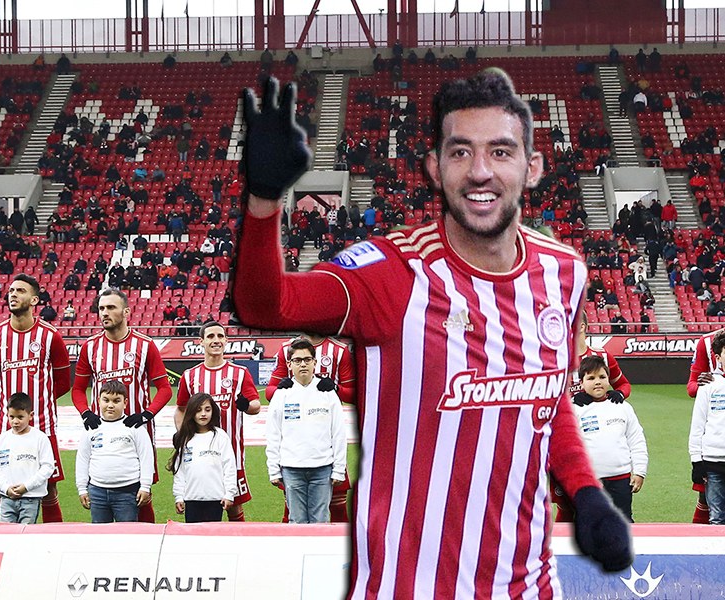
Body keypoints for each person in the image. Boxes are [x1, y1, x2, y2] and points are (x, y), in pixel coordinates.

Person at [234, 72, 631, 596]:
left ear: (532, 167)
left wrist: (585, 492)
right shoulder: (393, 272)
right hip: (409, 586)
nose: (481, 171)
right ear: (435, 169)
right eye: (461, 152)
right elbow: (267, 304)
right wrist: (264, 200)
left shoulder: (565, 273)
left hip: (525, 585)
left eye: (501, 152)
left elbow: (545, 401)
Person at [72, 287, 172, 523]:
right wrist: (86, 413)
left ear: (126, 312)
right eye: (101, 308)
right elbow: (77, 389)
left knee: (142, 494)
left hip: (137, 431)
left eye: (111, 307)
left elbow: (165, 389)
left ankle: (147, 541)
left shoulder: (145, 345)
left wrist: (146, 415)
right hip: (103, 432)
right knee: (102, 489)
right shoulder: (90, 346)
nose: (104, 313)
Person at [0, 273, 71, 522]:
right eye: (11, 290)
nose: (13, 294)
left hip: (42, 423)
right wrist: (14, 409)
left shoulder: (50, 336)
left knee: (49, 486)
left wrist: (39, 404)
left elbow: (63, 382)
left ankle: (51, 537)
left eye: (20, 291)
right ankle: (4, 537)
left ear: (34, 300)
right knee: (4, 486)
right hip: (6, 424)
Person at [174, 321, 260, 521]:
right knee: (200, 502)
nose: (216, 340)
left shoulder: (239, 373)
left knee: (234, 507)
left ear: (226, 340)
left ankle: (236, 540)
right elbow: (180, 409)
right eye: (211, 336)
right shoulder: (190, 376)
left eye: (220, 336)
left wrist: (245, 405)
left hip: (232, 454)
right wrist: (182, 435)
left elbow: (255, 405)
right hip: (199, 455)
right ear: (201, 341)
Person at [265, 333, 355, 523]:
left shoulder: (339, 353)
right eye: (297, 361)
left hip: (323, 465)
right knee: (296, 519)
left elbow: (339, 431)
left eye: (307, 360)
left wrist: (336, 389)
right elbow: (272, 431)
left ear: (315, 362)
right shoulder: (283, 391)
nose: (303, 364)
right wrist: (273, 468)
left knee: (324, 517)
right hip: (292, 465)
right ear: (290, 364)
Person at [572, 356, 647, 523]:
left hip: (620, 479)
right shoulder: (575, 409)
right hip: (588, 481)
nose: (597, 382)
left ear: (609, 379)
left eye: (602, 377)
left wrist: (640, 471)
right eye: (591, 378)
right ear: (581, 383)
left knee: (623, 523)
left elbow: (636, 440)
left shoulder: (623, 407)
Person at [75, 380, 153, 523]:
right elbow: (82, 459)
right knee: (101, 533)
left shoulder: (135, 428)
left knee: (127, 533)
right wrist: (82, 489)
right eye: (106, 400)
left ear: (125, 403)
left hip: (127, 492)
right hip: (97, 492)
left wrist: (145, 487)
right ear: (99, 401)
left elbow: (146, 458)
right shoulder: (91, 428)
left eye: (116, 401)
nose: (110, 405)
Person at [168, 392, 238, 523]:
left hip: (215, 499)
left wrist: (229, 494)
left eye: (207, 409)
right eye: (198, 410)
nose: (203, 414)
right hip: (191, 499)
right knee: (193, 534)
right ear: (191, 412)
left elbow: (229, 467)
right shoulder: (185, 438)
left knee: (212, 533)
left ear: (213, 411)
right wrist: (179, 496)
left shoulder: (220, 436)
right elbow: (180, 471)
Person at [0, 393, 56, 524]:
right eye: (11, 417)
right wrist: (6, 488)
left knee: (26, 532)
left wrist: (26, 486)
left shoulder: (40, 438)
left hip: (31, 497)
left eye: (20, 417)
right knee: (6, 532)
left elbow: (47, 467)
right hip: (6, 498)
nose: (15, 421)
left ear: (30, 415)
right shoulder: (2, 439)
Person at [690, 329, 725, 524]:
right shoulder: (706, 341)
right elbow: (691, 387)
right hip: (713, 456)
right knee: (715, 514)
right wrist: (700, 384)